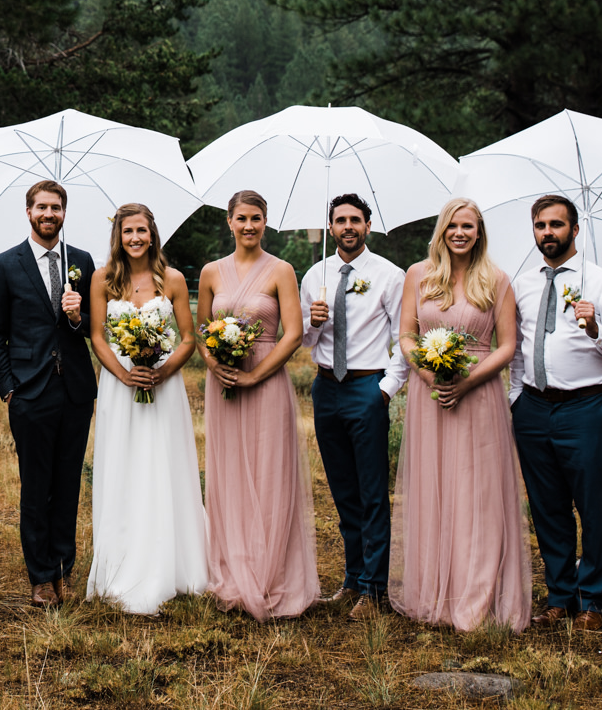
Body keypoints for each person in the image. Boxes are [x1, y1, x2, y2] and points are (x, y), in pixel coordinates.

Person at [391, 196, 528, 633]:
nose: (460, 233)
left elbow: (506, 346)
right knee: (434, 486)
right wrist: (429, 376)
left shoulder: (498, 280)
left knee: (477, 491)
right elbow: (407, 336)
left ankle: (476, 593)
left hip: (479, 394)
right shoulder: (419, 275)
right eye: (453, 226)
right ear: (442, 230)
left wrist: (466, 381)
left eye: (468, 227)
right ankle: (435, 589)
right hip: (429, 395)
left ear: (479, 233)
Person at [507, 195, 602, 631]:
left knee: (592, 506)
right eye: (541, 225)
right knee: (547, 507)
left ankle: (594, 600)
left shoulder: (601, 282)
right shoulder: (521, 284)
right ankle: (559, 596)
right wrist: (515, 399)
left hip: (586, 407)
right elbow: (519, 350)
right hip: (533, 408)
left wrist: (596, 329)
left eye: (556, 225)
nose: (548, 233)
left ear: (574, 230)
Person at [197, 190, 319, 621]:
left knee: (270, 474)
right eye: (242, 218)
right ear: (228, 222)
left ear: (266, 222)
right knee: (230, 474)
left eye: (257, 218)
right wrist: (215, 364)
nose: (249, 226)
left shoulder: (282, 270)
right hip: (225, 385)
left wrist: (254, 373)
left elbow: (292, 333)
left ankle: (270, 578)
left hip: (265, 382)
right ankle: (232, 575)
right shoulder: (211, 272)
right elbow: (200, 330)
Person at [86, 202, 207, 613]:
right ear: (118, 237)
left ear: (152, 234)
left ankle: (171, 562)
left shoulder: (171, 279)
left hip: (162, 386)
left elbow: (188, 338)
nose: (135, 238)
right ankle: (121, 561)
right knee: (123, 466)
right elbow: (98, 336)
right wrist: (123, 375)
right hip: (121, 388)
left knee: (162, 466)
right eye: (127, 232)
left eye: (141, 230)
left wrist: (162, 371)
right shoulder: (103, 279)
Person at [0, 180, 97, 608]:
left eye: (57, 207)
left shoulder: (81, 261)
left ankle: (64, 566)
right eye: (42, 207)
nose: (49, 214)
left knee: (68, 482)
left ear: (65, 212)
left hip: (76, 390)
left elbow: (93, 327)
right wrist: (9, 387)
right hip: (29, 390)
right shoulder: (4, 264)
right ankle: (41, 576)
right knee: (36, 486)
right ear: (29, 212)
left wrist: (76, 316)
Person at [299, 192, 407, 615]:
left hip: (366, 386)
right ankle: (351, 577)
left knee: (372, 491)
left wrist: (386, 390)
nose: (348, 227)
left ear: (367, 225)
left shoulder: (389, 275)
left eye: (355, 220)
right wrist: (314, 321)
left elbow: (403, 339)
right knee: (343, 489)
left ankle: (374, 587)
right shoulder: (315, 275)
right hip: (326, 388)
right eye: (340, 220)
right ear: (330, 228)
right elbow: (304, 340)